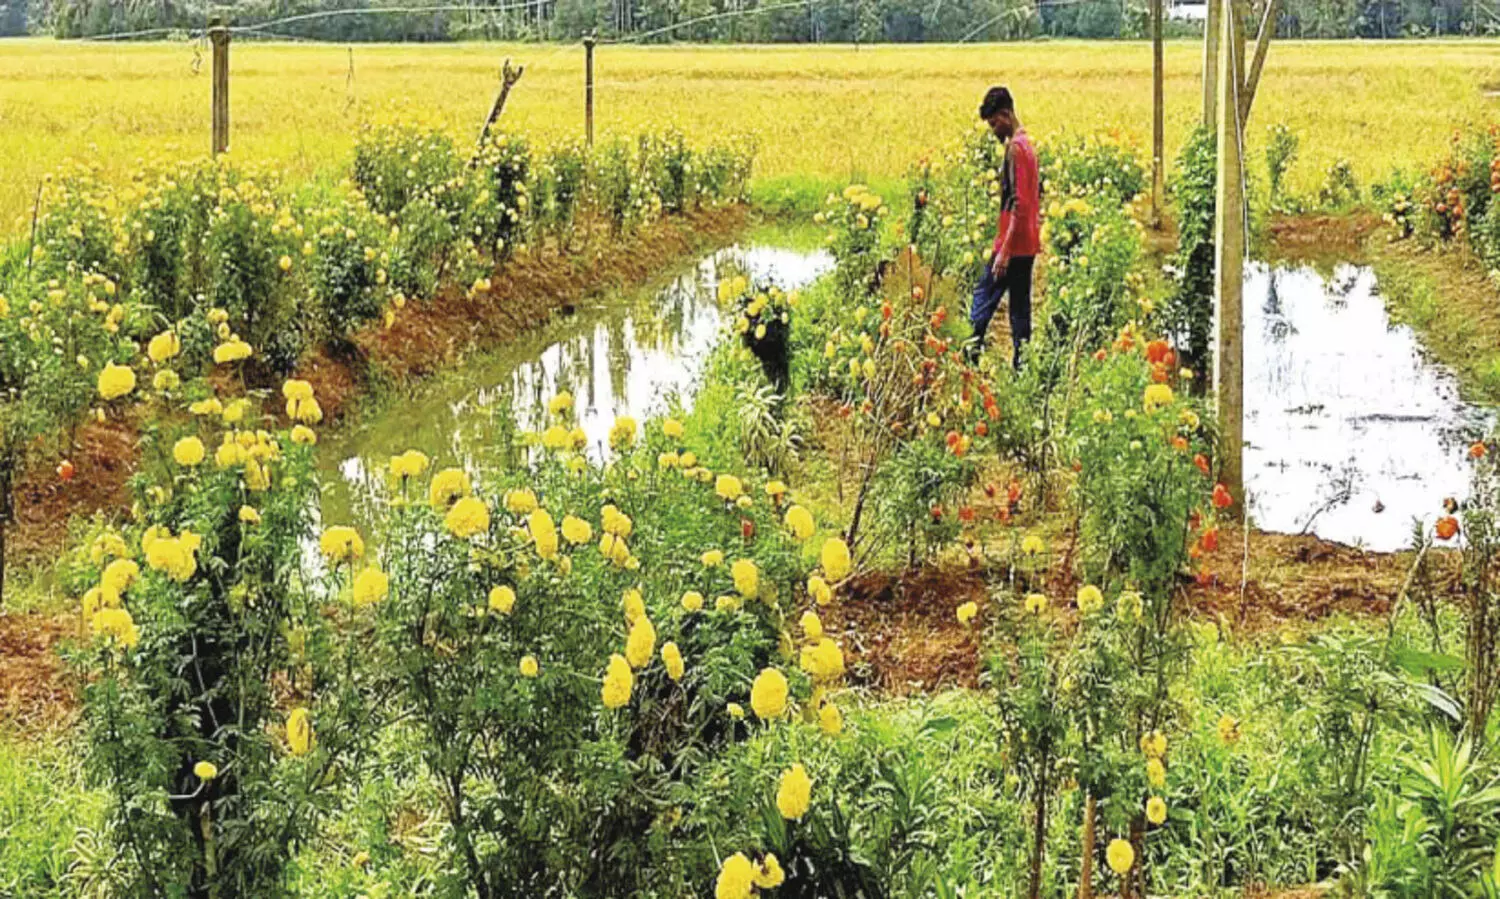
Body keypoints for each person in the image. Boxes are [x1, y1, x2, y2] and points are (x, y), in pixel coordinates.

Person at [969, 86, 1040, 369]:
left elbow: (1019, 203)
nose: (994, 131)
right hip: (1028, 244)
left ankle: (967, 355)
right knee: (1020, 310)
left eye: (995, 123)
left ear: (1007, 114)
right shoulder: (1028, 144)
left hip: (1013, 244)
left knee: (982, 298)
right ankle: (1022, 369)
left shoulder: (1016, 149)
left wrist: (1004, 251)